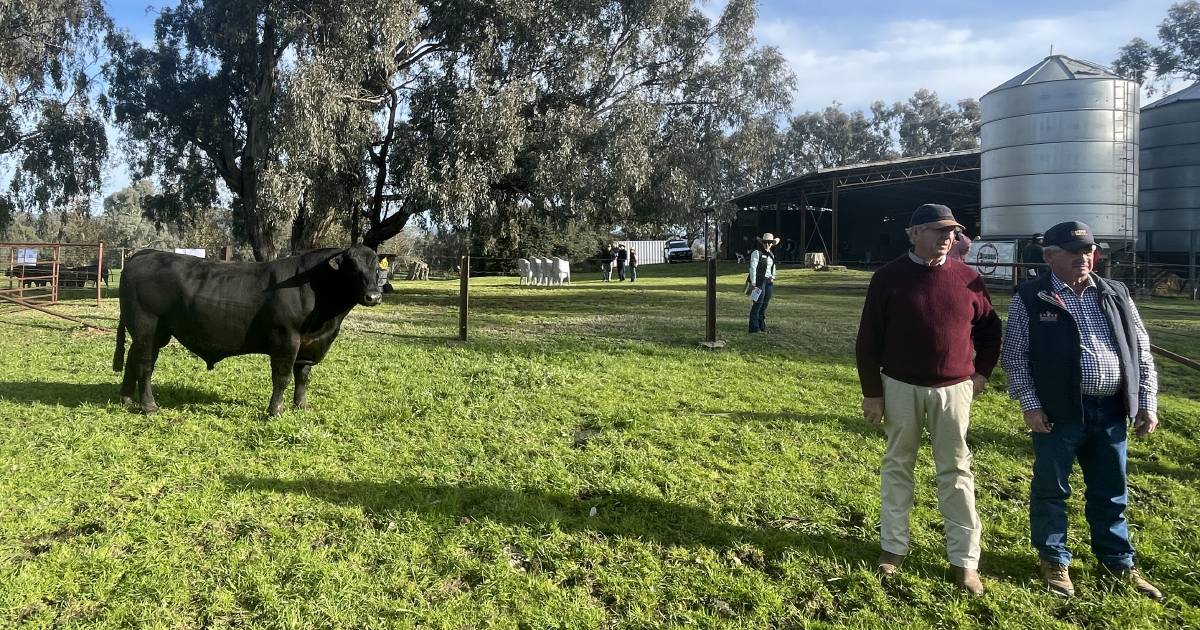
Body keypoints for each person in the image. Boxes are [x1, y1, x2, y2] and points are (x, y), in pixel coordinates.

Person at [1000, 220, 1163, 601]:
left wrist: (1146, 402)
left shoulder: (1115, 293)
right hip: (1058, 413)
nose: (1083, 257)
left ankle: (1117, 561)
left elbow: (1141, 351)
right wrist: (1030, 404)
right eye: (1074, 252)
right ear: (1050, 256)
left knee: (1111, 492)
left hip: (1111, 412)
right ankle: (1054, 559)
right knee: (1051, 490)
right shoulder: (1031, 296)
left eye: (1088, 250)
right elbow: (1015, 356)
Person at [855, 203, 1001, 596]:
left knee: (956, 473)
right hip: (900, 387)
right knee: (898, 466)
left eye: (951, 231)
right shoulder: (888, 278)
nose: (946, 238)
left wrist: (981, 373)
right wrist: (872, 393)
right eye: (938, 230)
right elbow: (868, 339)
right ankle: (893, 548)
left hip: (954, 390)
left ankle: (965, 561)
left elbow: (990, 329)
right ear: (913, 233)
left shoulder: (969, 279)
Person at [747, 232, 778, 333]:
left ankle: (762, 326)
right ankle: (754, 328)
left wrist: (773, 277)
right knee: (757, 304)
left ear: (772, 243)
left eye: (769, 242)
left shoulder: (772, 254)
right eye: (765, 242)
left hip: (768, 282)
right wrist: (753, 282)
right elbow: (753, 268)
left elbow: (773, 267)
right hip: (759, 281)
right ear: (762, 242)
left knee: (764, 304)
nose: (767, 244)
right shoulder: (756, 253)